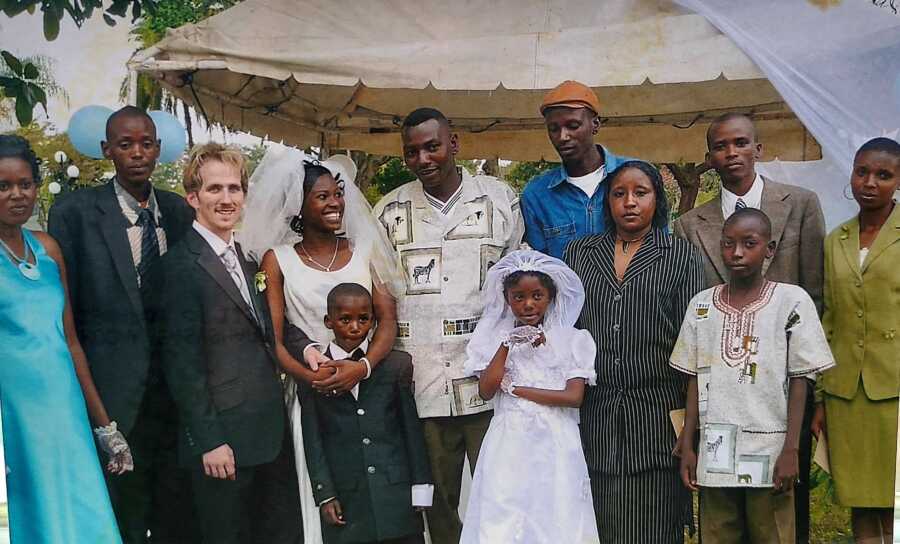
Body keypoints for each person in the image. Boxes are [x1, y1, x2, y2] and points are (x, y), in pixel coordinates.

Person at [371, 107, 524, 543]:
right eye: (412, 152)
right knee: (438, 502)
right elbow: (380, 298)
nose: (424, 159)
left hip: (490, 380)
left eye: (432, 146)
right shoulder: (389, 211)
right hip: (423, 384)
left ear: (453, 144)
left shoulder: (500, 200)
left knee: (499, 494)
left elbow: (521, 283)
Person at [673, 113, 827, 541]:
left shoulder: (800, 204)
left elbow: (816, 292)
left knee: (780, 514)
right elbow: (695, 337)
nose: (732, 153)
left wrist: (817, 397)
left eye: (741, 143)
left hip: (781, 399)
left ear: (757, 149)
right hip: (719, 402)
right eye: (721, 146)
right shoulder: (690, 225)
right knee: (721, 520)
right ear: (709, 157)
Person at [239, 147, 405, 543]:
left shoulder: (365, 252)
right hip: (313, 394)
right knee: (329, 501)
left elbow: (387, 322)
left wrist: (361, 367)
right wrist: (312, 379)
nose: (335, 204)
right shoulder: (276, 260)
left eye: (338, 194)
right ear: (299, 205)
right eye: (323, 197)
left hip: (370, 386)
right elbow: (274, 339)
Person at [47, 106, 195, 543]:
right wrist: (93, 414)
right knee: (120, 522)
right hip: (112, 400)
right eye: (125, 144)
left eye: (146, 143)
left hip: (173, 399)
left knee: (175, 518)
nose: (137, 153)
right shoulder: (74, 212)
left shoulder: (177, 212)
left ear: (159, 149)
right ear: (106, 149)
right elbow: (67, 314)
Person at [158, 143, 303, 543]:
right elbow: (181, 364)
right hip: (221, 445)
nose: (226, 199)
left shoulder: (248, 259)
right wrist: (210, 441)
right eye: (214, 189)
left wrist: (306, 350)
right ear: (193, 197)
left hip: (268, 434)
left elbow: (270, 327)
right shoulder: (179, 267)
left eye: (234, 189)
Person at [564, 161, 704, 543]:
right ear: (607, 201)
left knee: (656, 525)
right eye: (619, 193)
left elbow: (693, 346)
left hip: (657, 413)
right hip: (597, 413)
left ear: (656, 199)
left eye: (640, 193)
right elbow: (567, 331)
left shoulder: (679, 255)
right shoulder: (579, 255)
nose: (629, 202)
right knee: (598, 523)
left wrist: (691, 429)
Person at [0, 134, 131, 543]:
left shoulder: (49, 249)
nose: (17, 195)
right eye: (3, 186)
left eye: (25, 184)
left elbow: (70, 342)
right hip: (14, 415)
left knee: (83, 514)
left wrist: (104, 425)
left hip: (65, 409)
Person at [460, 250, 600, 544]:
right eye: (518, 297)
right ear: (507, 299)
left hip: (555, 438)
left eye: (537, 296)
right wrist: (506, 345)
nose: (528, 304)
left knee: (555, 512)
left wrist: (517, 390)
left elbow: (573, 397)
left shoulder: (572, 340)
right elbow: (486, 390)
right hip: (508, 439)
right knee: (503, 512)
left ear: (550, 297)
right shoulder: (494, 340)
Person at [811, 137, 900, 543]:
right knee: (861, 502)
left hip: (895, 388)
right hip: (847, 392)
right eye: (862, 171)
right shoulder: (836, 239)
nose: (870, 182)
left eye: (884, 175)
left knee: (893, 503)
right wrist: (821, 396)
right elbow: (829, 319)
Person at [296, 283, 433, 544]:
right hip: (348, 499)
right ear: (328, 321)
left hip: (396, 494)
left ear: (373, 320)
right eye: (345, 319)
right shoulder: (313, 375)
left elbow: (411, 431)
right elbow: (313, 440)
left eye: (363, 319)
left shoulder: (395, 365)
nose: (355, 327)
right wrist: (325, 494)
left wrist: (421, 487)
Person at [521, 80, 637, 259]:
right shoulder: (536, 194)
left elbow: (659, 248)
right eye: (553, 129)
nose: (563, 136)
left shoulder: (636, 176)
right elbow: (540, 269)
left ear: (595, 124)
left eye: (573, 126)